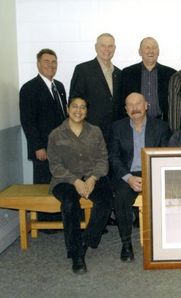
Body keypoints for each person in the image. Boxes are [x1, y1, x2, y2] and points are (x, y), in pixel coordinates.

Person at [47, 97, 112, 274]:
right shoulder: (56, 134)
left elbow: (102, 159)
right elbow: (55, 166)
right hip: (65, 180)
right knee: (69, 203)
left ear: (86, 111)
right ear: (68, 109)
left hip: (92, 177)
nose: (78, 110)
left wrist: (92, 178)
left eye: (83, 107)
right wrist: (75, 181)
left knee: (106, 201)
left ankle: (85, 241)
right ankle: (76, 254)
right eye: (74, 106)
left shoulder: (95, 131)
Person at [109, 92, 170, 262]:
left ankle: (162, 242)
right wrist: (128, 178)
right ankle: (126, 244)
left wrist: (150, 177)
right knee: (121, 198)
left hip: (152, 171)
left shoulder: (161, 127)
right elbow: (113, 157)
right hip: (127, 174)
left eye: (138, 104)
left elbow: (164, 156)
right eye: (130, 105)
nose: (135, 108)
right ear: (126, 109)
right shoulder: (117, 127)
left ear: (146, 106)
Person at [19, 48, 67, 223]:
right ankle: (45, 223)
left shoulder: (59, 86)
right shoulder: (29, 88)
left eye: (54, 62)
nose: (51, 65)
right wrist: (38, 147)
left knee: (59, 182)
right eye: (46, 62)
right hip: (43, 149)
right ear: (38, 64)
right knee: (43, 185)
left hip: (61, 147)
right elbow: (28, 122)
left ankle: (57, 218)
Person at [69, 33, 123, 147]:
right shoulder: (83, 70)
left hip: (115, 134)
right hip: (90, 133)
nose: (107, 49)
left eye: (110, 46)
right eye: (103, 45)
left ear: (115, 49)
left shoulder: (119, 73)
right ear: (96, 47)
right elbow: (74, 101)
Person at [121, 37, 176, 121]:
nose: (151, 51)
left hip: (162, 124)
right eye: (147, 47)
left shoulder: (171, 74)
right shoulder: (127, 73)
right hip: (135, 123)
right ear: (140, 51)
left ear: (158, 52)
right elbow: (122, 102)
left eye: (154, 48)